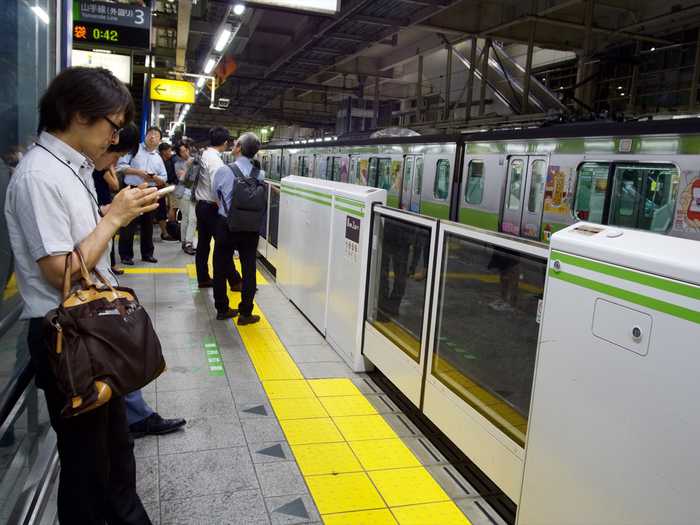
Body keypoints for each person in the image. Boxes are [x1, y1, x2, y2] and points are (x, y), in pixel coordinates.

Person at [4, 66, 155, 524]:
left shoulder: (67, 170)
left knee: (112, 456)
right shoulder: (38, 177)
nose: (114, 138)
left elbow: (77, 247)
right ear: (76, 115)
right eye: (111, 125)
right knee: (89, 470)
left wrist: (110, 215)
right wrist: (114, 220)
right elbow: (60, 274)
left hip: (86, 333)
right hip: (66, 338)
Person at [94, 125, 187, 440]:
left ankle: (135, 416)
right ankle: (134, 418)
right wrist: (113, 216)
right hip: (84, 300)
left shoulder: (77, 171)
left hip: (98, 288)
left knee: (120, 354)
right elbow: (57, 267)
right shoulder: (47, 177)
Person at [211, 132, 265, 324]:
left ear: (240, 148)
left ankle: (223, 308)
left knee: (220, 265)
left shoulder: (224, 171)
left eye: (236, 143)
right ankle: (246, 313)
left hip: (227, 225)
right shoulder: (260, 174)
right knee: (249, 268)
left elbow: (214, 196)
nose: (233, 145)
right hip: (250, 227)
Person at [194, 127, 240, 288]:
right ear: (225, 143)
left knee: (203, 244)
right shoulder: (215, 160)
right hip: (211, 208)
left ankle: (203, 278)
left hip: (201, 205)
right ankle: (234, 281)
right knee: (224, 245)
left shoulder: (204, 154)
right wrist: (225, 209)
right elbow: (217, 186)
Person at [117, 126, 167, 265]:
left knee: (148, 224)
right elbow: (120, 166)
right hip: (133, 189)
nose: (152, 137)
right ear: (145, 136)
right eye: (150, 134)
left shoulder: (158, 158)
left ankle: (147, 254)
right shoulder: (135, 149)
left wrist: (156, 178)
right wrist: (139, 172)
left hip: (150, 191)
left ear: (160, 140)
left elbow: (164, 177)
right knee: (129, 223)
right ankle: (126, 255)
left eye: (156, 135)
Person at [173, 142, 197, 255]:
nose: (184, 153)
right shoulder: (178, 164)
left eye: (185, 150)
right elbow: (182, 179)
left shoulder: (197, 161)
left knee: (192, 219)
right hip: (183, 194)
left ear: (188, 149)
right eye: (181, 152)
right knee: (187, 218)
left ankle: (186, 242)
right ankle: (187, 242)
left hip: (195, 194)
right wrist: (188, 166)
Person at [156, 142, 178, 242]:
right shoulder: (160, 161)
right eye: (169, 151)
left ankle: (165, 232)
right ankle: (165, 233)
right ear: (164, 152)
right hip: (159, 188)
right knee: (161, 211)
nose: (171, 153)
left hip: (163, 188)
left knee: (163, 210)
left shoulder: (168, 161)